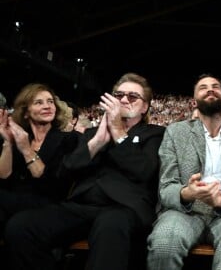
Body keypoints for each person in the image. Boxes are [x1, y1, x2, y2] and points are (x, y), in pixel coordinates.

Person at [5, 72, 165, 270]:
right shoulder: (91, 134)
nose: (123, 99)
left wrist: (118, 132)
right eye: (119, 95)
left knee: (110, 226)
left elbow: (144, 170)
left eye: (132, 97)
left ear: (144, 107)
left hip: (122, 208)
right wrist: (96, 143)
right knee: (21, 227)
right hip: (81, 206)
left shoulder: (155, 134)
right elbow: (66, 170)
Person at [147, 74, 221, 270]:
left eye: (215, 86)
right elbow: (166, 186)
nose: (210, 89)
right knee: (164, 244)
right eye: (203, 87)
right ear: (193, 102)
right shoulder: (175, 132)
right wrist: (186, 193)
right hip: (184, 212)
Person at [0, 83, 78, 241]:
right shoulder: (20, 136)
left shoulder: (68, 139)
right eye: (39, 102)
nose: (47, 106)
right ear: (26, 112)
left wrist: (27, 150)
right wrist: (8, 143)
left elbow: (52, 185)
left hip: (48, 203)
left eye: (50, 102)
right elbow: (4, 176)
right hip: (13, 200)